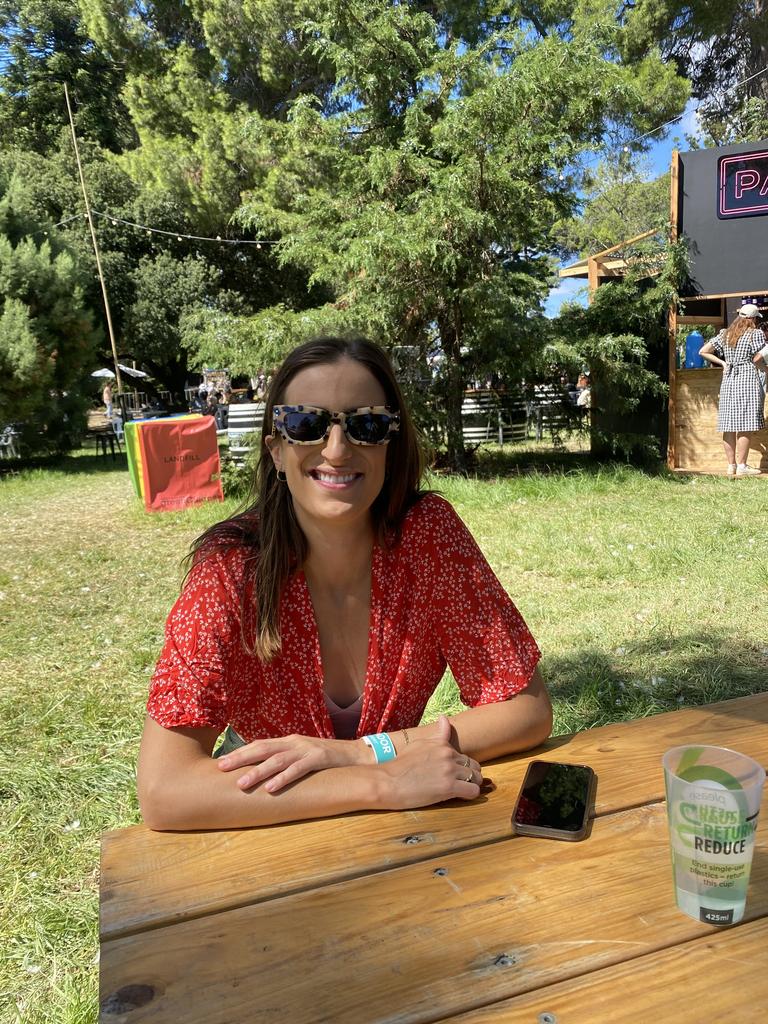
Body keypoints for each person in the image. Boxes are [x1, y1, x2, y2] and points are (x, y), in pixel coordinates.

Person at [138, 336, 552, 830]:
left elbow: (527, 710)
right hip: (272, 804)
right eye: (306, 424)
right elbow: (165, 790)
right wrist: (385, 782)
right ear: (276, 449)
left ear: (389, 446)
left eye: (367, 424)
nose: (336, 450)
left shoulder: (429, 537)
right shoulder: (229, 572)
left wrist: (361, 754)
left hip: (392, 824)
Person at [700, 304, 766, 477]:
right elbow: (758, 359)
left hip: (729, 380)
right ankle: (743, 465)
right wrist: (766, 370)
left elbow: (703, 351)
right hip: (748, 379)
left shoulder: (725, 334)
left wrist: (722, 363)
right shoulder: (755, 334)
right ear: (752, 319)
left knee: (729, 425)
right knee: (745, 425)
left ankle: (731, 466)